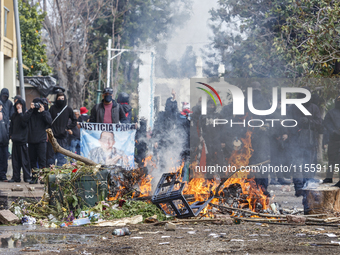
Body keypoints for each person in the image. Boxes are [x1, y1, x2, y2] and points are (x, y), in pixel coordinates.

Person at [287, 87, 323, 196]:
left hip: (310, 141)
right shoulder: (293, 107)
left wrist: (309, 122)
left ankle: (308, 187)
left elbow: (319, 123)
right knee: (297, 165)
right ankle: (298, 188)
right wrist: (297, 129)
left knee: (309, 164)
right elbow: (287, 123)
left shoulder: (313, 108)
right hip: (296, 141)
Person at [25, 98, 52, 184]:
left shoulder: (44, 113)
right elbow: (24, 121)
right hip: (31, 140)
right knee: (32, 160)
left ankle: (43, 178)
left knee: (42, 160)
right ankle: (34, 178)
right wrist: (30, 109)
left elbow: (49, 121)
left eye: (38, 104)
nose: (37, 106)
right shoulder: (30, 113)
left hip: (41, 140)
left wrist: (43, 111)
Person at [49, 91, 77, 166]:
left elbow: (74, 120)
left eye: (62, 98)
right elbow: (48, 120)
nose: (60, 100)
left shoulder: (68, 109)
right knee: (51, 158)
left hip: (63, 137)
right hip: (52, 137)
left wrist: (67, 128)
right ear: (56, 99)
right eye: (59, 98)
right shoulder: (52, 108)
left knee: (62, 158)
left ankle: (59, 175)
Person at [9, 98, 31, 183]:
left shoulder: (25, 114)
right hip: (15, 140)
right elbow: (11, 126)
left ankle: (27, 177)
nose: (18, 106)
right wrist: (11, 135)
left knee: (24, 160)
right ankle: (16, 177)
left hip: (23, 141)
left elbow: (24, 124)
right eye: (17, 104)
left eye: (20, 104)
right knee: (15, 161)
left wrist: (21, 113)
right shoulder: (14, 115)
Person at [323, 94, 340, 186]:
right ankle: (329, 177)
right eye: (338, 99)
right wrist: (333, 131)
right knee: (331, 160)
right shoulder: (331, 112)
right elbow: (326, 123)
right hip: (333, 139)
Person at [0, 101, 9, 181]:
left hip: (4, 141)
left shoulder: (4, 114)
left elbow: (7, 126)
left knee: (4, 159)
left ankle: (3, 175)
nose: (1, 107)